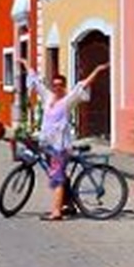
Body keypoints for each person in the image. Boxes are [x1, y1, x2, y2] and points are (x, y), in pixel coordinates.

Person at [18, 57, 109, 221]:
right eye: (55, 84)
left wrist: (97, 70)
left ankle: (56, 212)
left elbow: (83, 84)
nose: (57, 87)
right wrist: (25, 64)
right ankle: (70, 205)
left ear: (64, 86)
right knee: (60, 175)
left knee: (57, 178)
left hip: (60, 146)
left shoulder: (68, 100)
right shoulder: (48, 97)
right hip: (47, 144)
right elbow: (36, 82)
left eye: (60, 84)